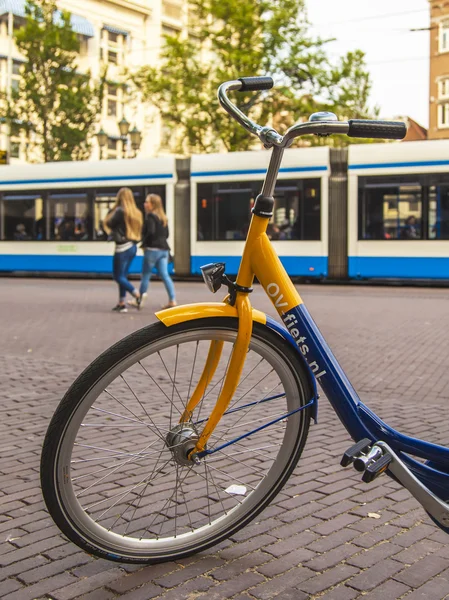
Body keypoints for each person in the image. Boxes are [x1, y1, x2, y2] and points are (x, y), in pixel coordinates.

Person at [131, 193, 176, 310]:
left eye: (147, 202)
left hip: (152, 250)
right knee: (165, 275)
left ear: (153, 205)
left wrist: (143, 243)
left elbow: (150, 232)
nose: (144, 204)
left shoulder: (150, 217)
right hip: (164, 250)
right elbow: (166, 235)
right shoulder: (163, 218)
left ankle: (139, 300)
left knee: (145, 275)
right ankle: (172, 300)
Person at [103, 187, 143, 313]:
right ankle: (122, 303)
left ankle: (136, 294)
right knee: (123, 276)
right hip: (132, 246)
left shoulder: (120, 211)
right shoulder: (136, 212)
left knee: (117, 276)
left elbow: (109, 223)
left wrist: (112, 210)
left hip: (121, 248)